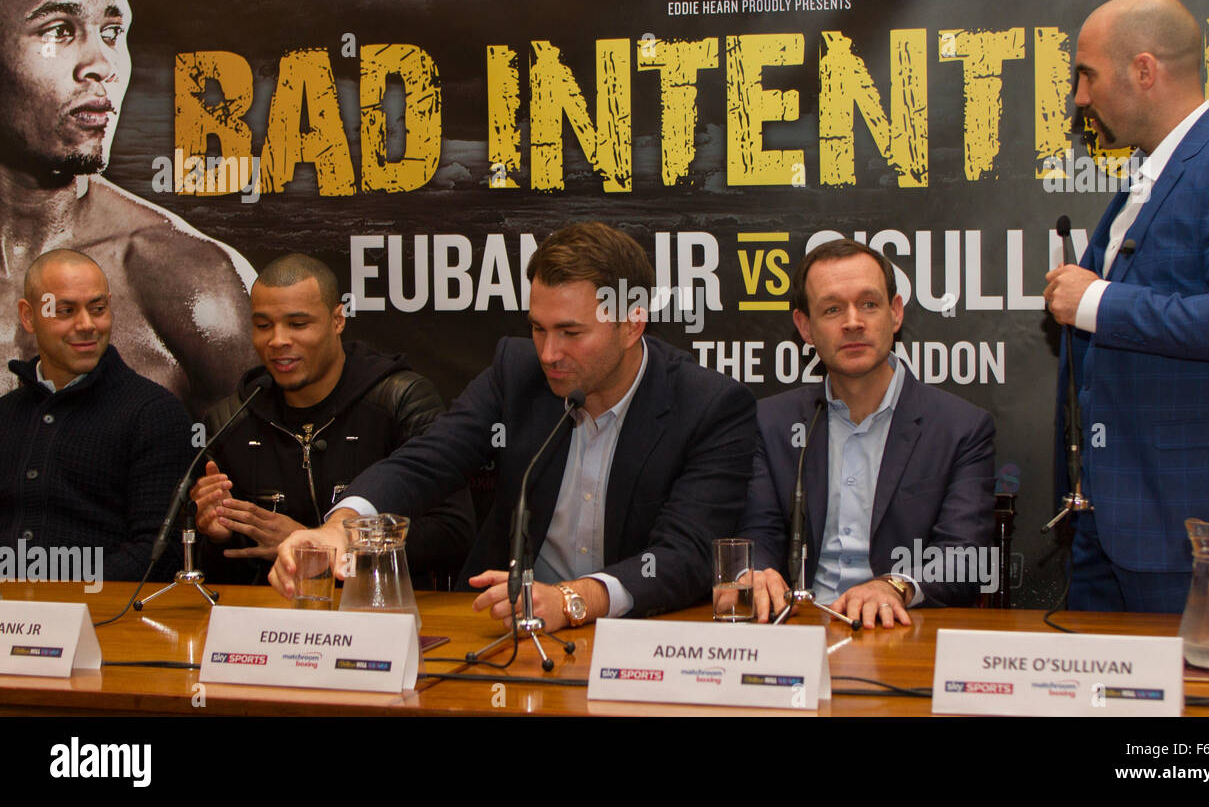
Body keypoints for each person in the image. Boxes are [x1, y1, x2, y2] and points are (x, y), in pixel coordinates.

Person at [269, 222, 757, 628]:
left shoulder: (708, 406)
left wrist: (574, 599)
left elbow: (686, 553)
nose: (549, 354)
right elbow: (428, 459)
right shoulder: (517, 370)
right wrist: (341, 527)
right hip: (502, 625)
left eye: (571, 333)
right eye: (538, 328)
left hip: (638, 636)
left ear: (632, 323)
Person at [1043, 0, 1209, 612]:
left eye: (1087, 75)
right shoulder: (1154, 174)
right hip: (1114, 521)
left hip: (1196, 537)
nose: (1079, 97)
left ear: (1144, 70)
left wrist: (1100, 300)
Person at [0, 0, 254, 415]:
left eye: (112, 33)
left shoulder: (194, 280)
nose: (103, 65)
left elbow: (284, 480)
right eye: (60, 29)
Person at [739, 239, 995, 627]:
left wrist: (895, 585)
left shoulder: (960, 427)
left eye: (869, 304)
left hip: (901, 632)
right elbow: (757, 535)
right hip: (798, 631)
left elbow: (965, 556)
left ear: (895, 314)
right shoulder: (770, 423)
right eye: (832, 309)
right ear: (805, 327)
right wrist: (758, 573)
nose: (853, 321)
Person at [189, 254, 475, 586]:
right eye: (263, 325)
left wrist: (319, 543)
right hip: (272, 618)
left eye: (298, 324)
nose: (277, 340)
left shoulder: (400, 400)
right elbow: (220, 575)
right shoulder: (231, 417)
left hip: (384, 612)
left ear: (338, 320)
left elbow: (453, 532)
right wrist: (217, 535)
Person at [0, 250, 190, 580]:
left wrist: (54, 593)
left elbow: (159, 551)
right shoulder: (6, 414)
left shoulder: (154, 414)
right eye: (66, 310)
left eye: (98, 309)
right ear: (28, 316)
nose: (87, 325)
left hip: (105, 621)